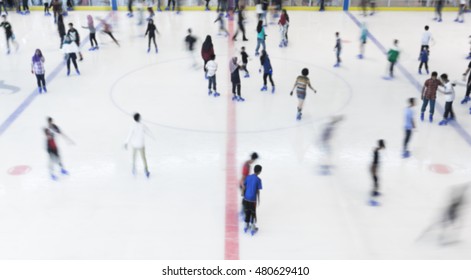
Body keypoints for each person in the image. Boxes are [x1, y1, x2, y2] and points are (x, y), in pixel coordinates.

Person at [125, 113, 153, 177]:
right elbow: (148, 131)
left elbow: (129, 135)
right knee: (143, 158)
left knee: (134, 157)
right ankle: (146, 170)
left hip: (135, 145)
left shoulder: (132, 126)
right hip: (141, 145)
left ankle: (134, 168)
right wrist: (153, 136)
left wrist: (126, 142)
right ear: (139, 118)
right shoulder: (142, 125)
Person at [242, 164, 262, 235]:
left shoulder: (248, 177)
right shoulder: (258, 180)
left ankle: (246, 226)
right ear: (260, 172)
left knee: (247, 212)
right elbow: (258, 189)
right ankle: (253, 228)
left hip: (246, 198)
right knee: (253, 213)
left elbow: (244, 185)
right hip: (253, 200)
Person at [369, 139, 385, 206]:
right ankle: (373, 198)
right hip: (373, 167)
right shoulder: (376, 150)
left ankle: (374, 192)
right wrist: (374, 171)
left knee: (376, 181)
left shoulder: (377, 150)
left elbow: (377, 149)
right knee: (375, 181)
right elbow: (375, 162)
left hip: (374, 167)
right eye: (382, 146)